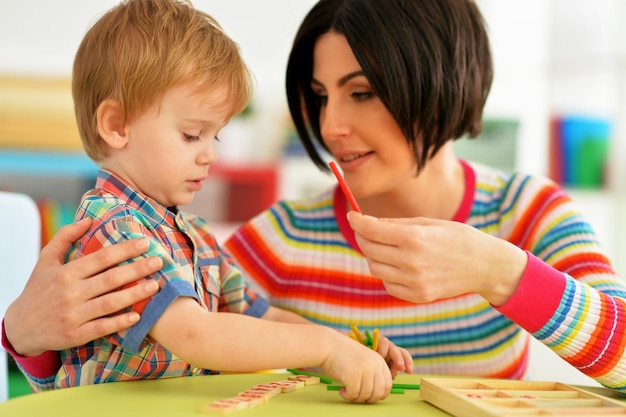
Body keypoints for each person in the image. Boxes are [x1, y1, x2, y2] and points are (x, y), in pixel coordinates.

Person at [3, 0, 626, 396]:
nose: (328, 127)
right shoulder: (281, 237)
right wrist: (22, 337)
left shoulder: (529, 212)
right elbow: (162, 337)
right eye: (318, 95)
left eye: (360, 92)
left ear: (439, 82)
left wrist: (497, 270)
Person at [5, 0, 414, 403]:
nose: (210, 155)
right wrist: (325, 348)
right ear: (116, 125)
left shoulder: (196, 235)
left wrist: (346, 348)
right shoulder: (114, 227)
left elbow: (263, 319)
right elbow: (195, 334)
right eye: (191, 135)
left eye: (214, 136)